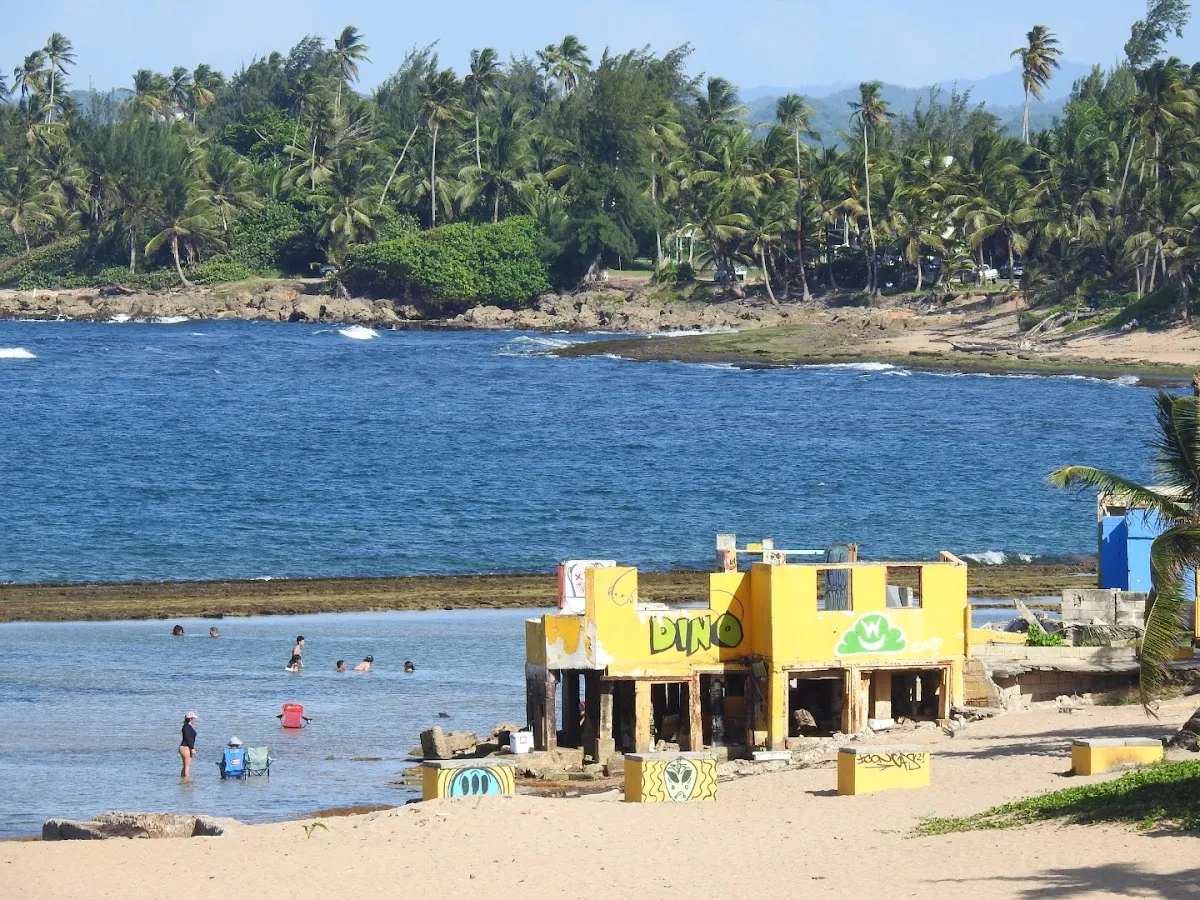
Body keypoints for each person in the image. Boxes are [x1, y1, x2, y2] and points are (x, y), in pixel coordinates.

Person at [179, 712, 198, 778]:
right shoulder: (186, 727)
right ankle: (187, 781)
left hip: (185, 747)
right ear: (190, 719)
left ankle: (183, 780)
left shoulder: (187, 727)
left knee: (186, 766)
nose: (195, 720)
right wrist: (192, 748)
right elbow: (188, 738)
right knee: (187, 766)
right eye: (194, 718)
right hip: (185, 747)